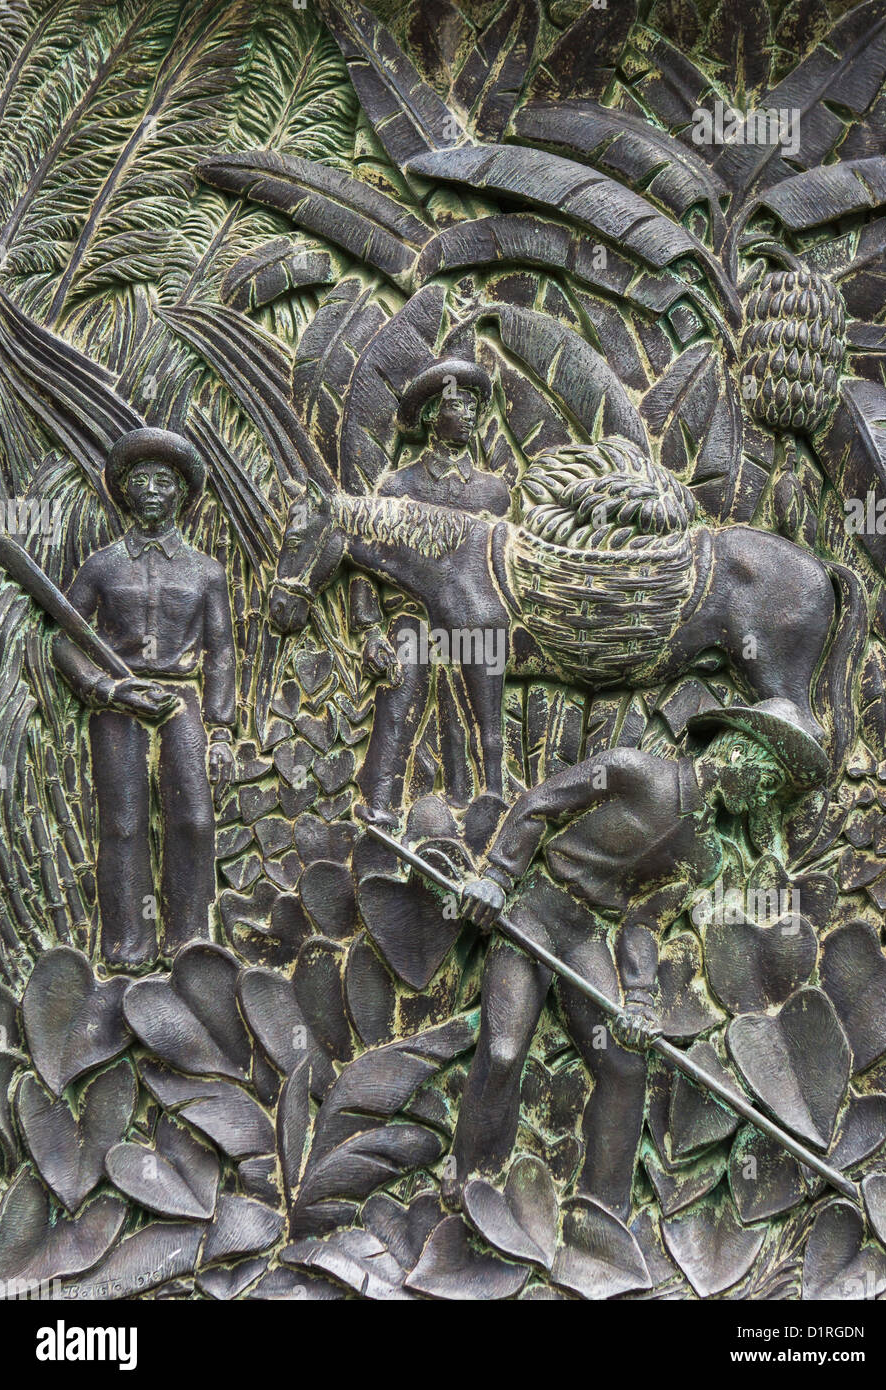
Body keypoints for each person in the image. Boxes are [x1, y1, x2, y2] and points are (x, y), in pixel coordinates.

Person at [450, 698, 829, 1220]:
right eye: (768, 783)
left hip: (587, 937)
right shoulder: (632, 772)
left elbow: (644, 924)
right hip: (535, 908)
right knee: (506, 1045)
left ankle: (600, 1213)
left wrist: (642, 1001)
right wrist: (497, 876)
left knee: (625, 1067)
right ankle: (471, 1178)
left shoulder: (706, 856)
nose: (765, 801)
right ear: (737, 754)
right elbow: (540, 804)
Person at [52, 427, 235, 966]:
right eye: (141, 481)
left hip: (183, 704)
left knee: (194, 821)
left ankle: (189, 944)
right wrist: (106, 690)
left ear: (181, 492)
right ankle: (128, 947)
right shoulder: (103, 566)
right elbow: (65, 639)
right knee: (125, 823)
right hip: (119, 705)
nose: (153, 489)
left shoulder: (206, 571)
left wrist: (221, 732)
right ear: (125, 492)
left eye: (164, 480)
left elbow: (221, 654)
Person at [353, 357, 510, 828]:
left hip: (474, 623)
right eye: (456, 406)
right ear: (429, 417)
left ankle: (488, 805)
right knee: (399, 700)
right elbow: (364, 560)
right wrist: (368, 628)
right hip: (413, 620)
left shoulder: (493, 492)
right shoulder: (398, 486)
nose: (468, 416)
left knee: (484, 714)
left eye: (473, 408)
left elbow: (505, 565)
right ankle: (381, 805)